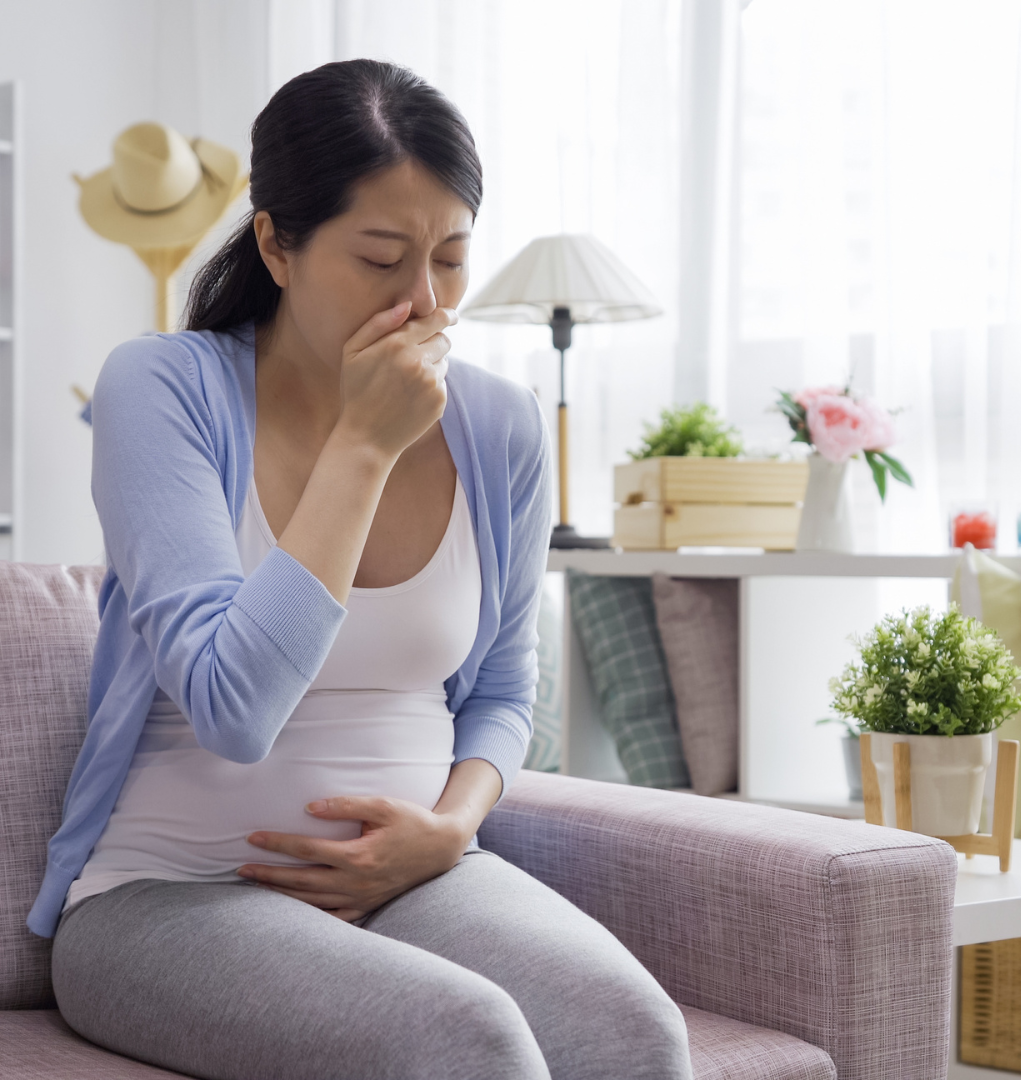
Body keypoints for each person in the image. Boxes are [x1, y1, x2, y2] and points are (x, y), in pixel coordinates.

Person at [32, 60, 694, 1080]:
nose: (423, 301)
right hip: (170, 895)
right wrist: (364, 447)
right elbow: (233, 709)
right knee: (470, 1044)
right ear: (277, 245)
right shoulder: (161, 389)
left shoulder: (500, 425)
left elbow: (506, 691)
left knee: (635, 1038)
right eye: (382, 258)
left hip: (424, 876)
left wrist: (448, 831)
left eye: (453, 260)